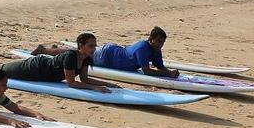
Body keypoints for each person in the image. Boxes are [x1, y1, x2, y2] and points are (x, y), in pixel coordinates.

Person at [0, 33, 119, 93]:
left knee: (2, 64)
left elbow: (85, 79)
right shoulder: (70, 57)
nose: (94, 48)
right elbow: (71, 82)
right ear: (80, 46)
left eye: (95, 45)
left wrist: (109, 84)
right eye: (91, 46)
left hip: (40, 70)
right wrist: (95, 88)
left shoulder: (86, 58)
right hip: (33, 69)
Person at [35, 27, 179, 78]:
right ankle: (45, 50)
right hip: (107, 57)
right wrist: (168, 74)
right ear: (150, 39)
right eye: (158, 41)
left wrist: (170, 72)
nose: (160, 44)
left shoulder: (156, 50)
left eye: (162, 42)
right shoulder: (142, 48)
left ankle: (52, 49)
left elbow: (159, 67)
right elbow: (147, 71)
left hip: (115, 52)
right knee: (78, 54)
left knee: (79, 53)